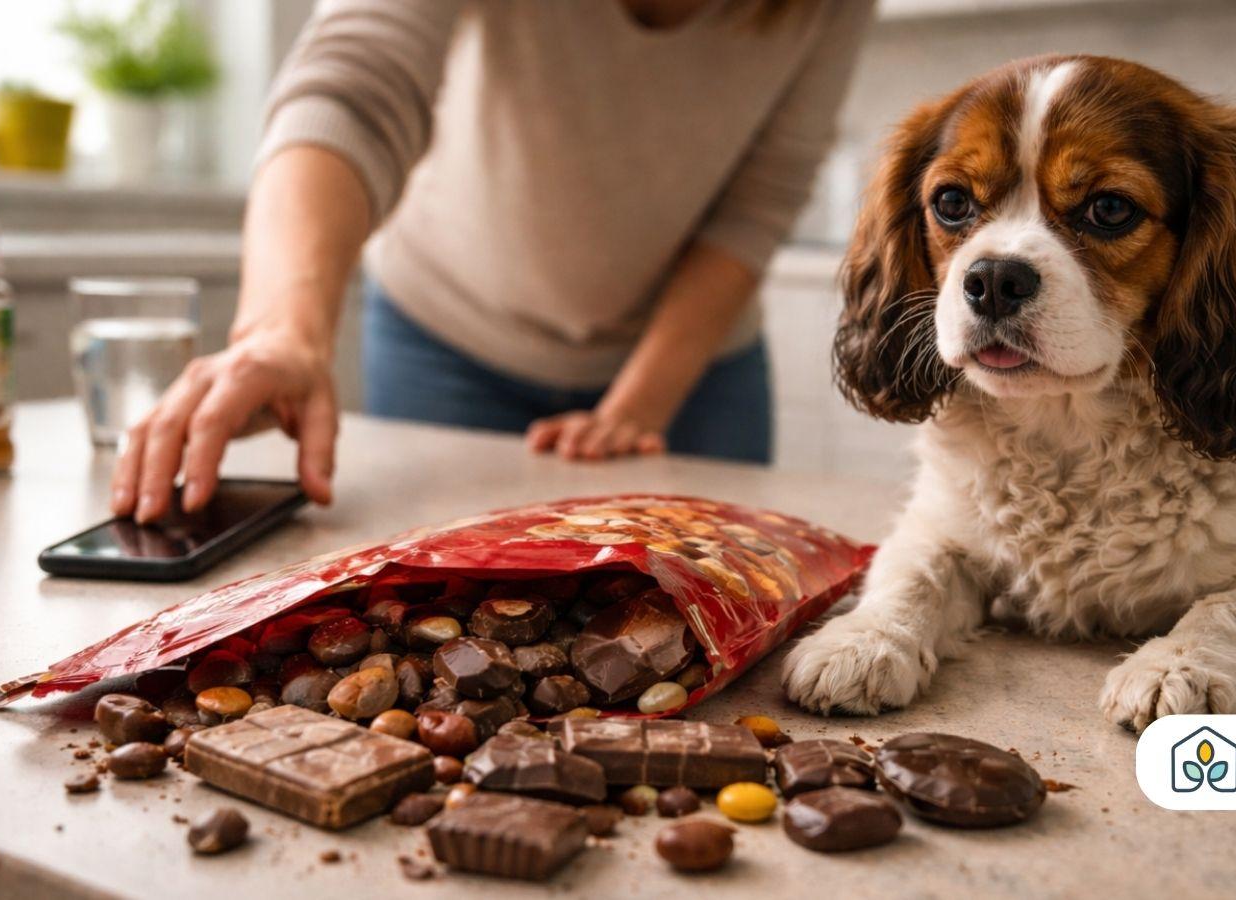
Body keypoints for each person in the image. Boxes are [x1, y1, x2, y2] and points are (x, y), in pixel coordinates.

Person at [111, 0, 873, 524]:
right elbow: (352, 85)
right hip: (446, 339)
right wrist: (281, 330)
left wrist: (636, 407)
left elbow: (760, 201)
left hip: (697, 368)